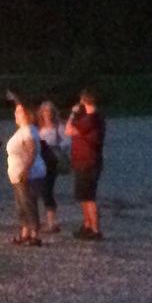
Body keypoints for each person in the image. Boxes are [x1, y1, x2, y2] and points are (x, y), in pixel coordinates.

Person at [68, 88, 106, 239]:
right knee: (83, 196)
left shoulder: (90, 119)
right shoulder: (95, 118)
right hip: (84, 161)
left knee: (89, 197)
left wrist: (73, 114)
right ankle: (87, 225)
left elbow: (69, 130)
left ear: (84, 101)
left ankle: (95, 229)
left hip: (88, 162)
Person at [6, 98, 44, 245]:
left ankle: (35, 234)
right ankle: (25, 233)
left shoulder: (28, 131)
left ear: (28, 114)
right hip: (17, 175)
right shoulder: (22, 131)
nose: (16, 114)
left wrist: (25, 170)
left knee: (29, 204)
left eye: (20, 111)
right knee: (21, 205)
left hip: (28, 175)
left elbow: (32, 152)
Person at [35, 99, 65, 235]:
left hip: (51, 160)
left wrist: (54, 147)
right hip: (40, 160)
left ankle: (52, 222)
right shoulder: (39, 127)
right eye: (45, 111)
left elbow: (66, 142)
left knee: (47, 190)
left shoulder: (58, 127)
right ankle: (46, 220)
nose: (47, 114)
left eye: (50, 111)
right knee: (40, 190)